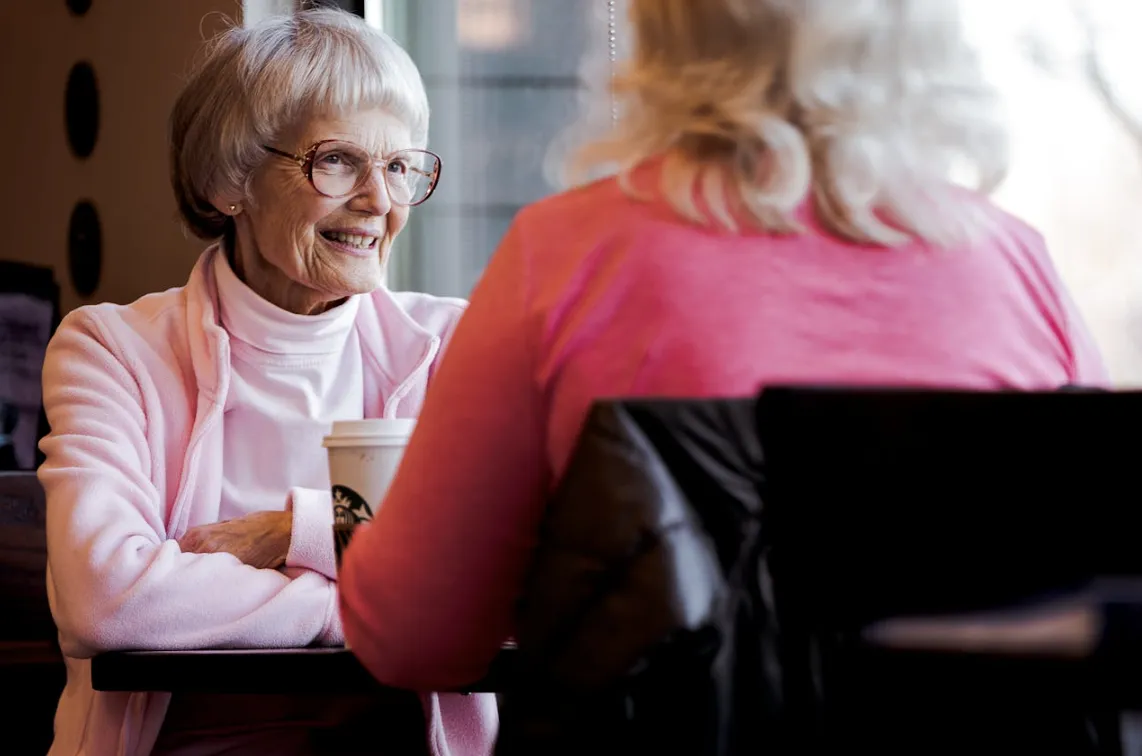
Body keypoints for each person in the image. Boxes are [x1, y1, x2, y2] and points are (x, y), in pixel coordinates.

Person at [338, 0, 1109, 692]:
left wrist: (332, 531)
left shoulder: (567, 255)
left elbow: (415, 641)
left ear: (665, 30)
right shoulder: (1020, 269)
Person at [37, 8, 495, 756]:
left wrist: (292, 532)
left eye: (401, 165)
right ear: (229, 181)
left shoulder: (449, 346)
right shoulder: (112, 350)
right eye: (339, 161)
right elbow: (106, 600)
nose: (380, 201)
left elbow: (513, 584)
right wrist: (358, 595)